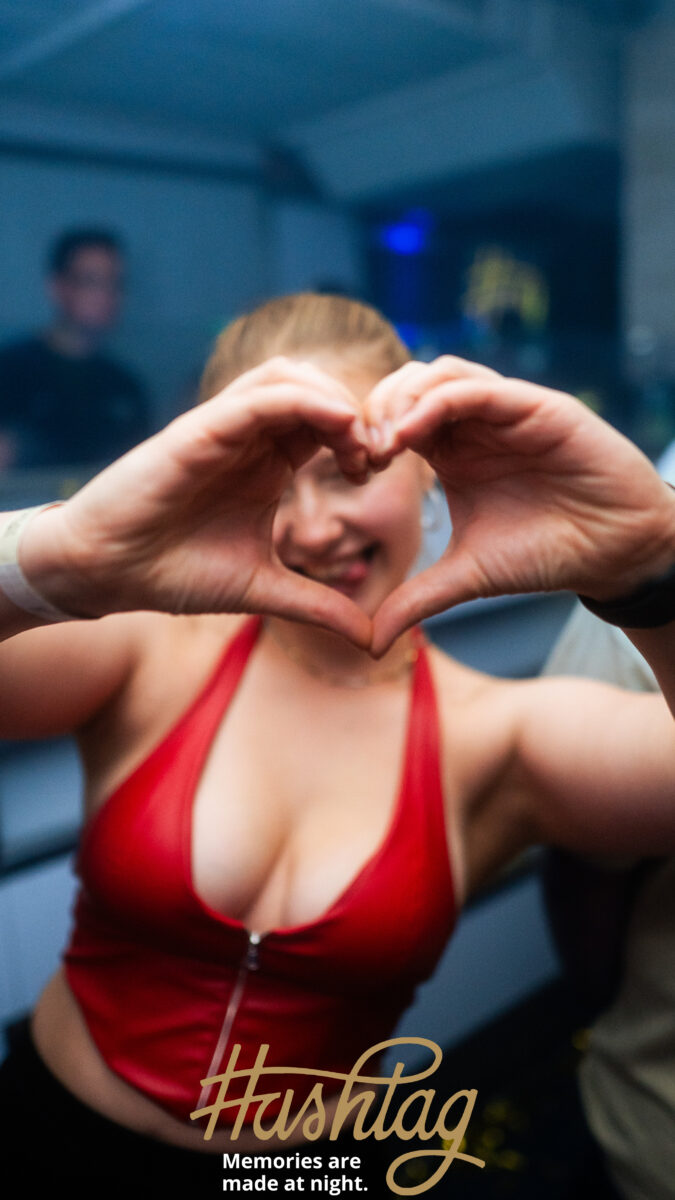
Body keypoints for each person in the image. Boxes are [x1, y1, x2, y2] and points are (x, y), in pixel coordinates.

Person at [0, 292, 674, 1199]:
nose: (312, 529)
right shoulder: (146, 654)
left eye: (348, 474)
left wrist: (654, 563)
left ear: (426, 466)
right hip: (51, 1138)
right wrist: (62, 553)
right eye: (268, 480)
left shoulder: (495, 737)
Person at [0, 227, 150, 470]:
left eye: (115, 283)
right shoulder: (10, 371)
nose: (105, 295)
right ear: (58, 287)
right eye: (91, 281)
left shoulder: (124, 386)